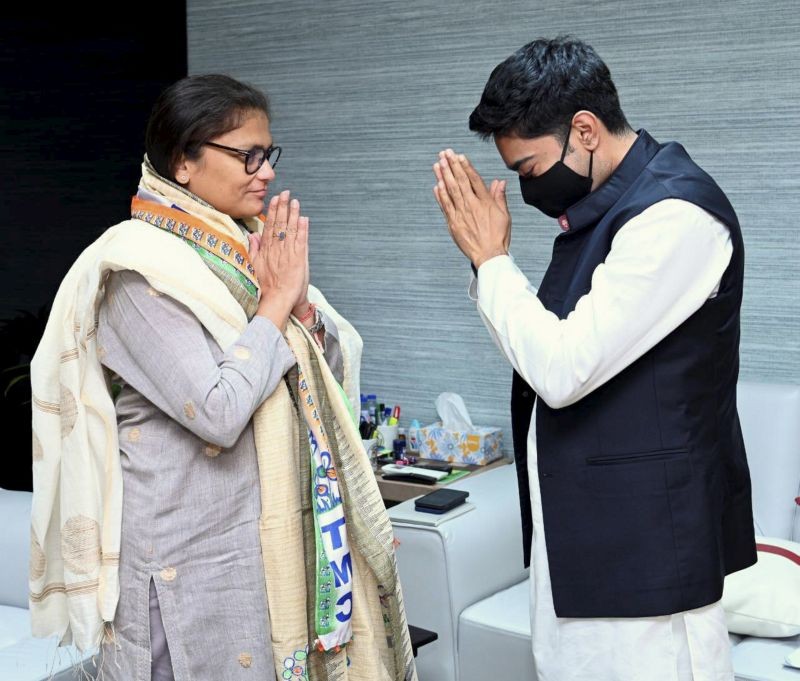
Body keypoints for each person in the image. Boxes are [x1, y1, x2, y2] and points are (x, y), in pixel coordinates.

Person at [29, 74, 417, 681]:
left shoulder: (243, 254)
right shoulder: (136, 273)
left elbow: (322, 381)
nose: (265, 172)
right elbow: (217, 409)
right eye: (247, 156)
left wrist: (301, 311)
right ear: (183, 162)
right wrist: (275, 305)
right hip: (183, 560)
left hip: (258, 542)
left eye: (269, 154)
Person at [433, 36, 755, 681]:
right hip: (588, 530)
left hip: (646, 549)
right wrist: (489, 264)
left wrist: (493, 261)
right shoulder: (599, 213)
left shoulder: (673, 215)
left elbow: (560, 369)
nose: (525, 188)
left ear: (584, 130)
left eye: (527, 168)